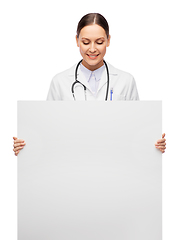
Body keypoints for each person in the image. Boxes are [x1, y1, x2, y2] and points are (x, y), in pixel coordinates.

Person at [13, 13, 166, 155]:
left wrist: (153, 144)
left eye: (99, 42)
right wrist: (26, 145)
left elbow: (136, 131)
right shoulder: (59, 82)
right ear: (77, 40)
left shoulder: (126, 81)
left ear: (108, 40)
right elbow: (47, 132)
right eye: (86, 42)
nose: (92, 49)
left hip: (114, 163)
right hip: (72, 162)